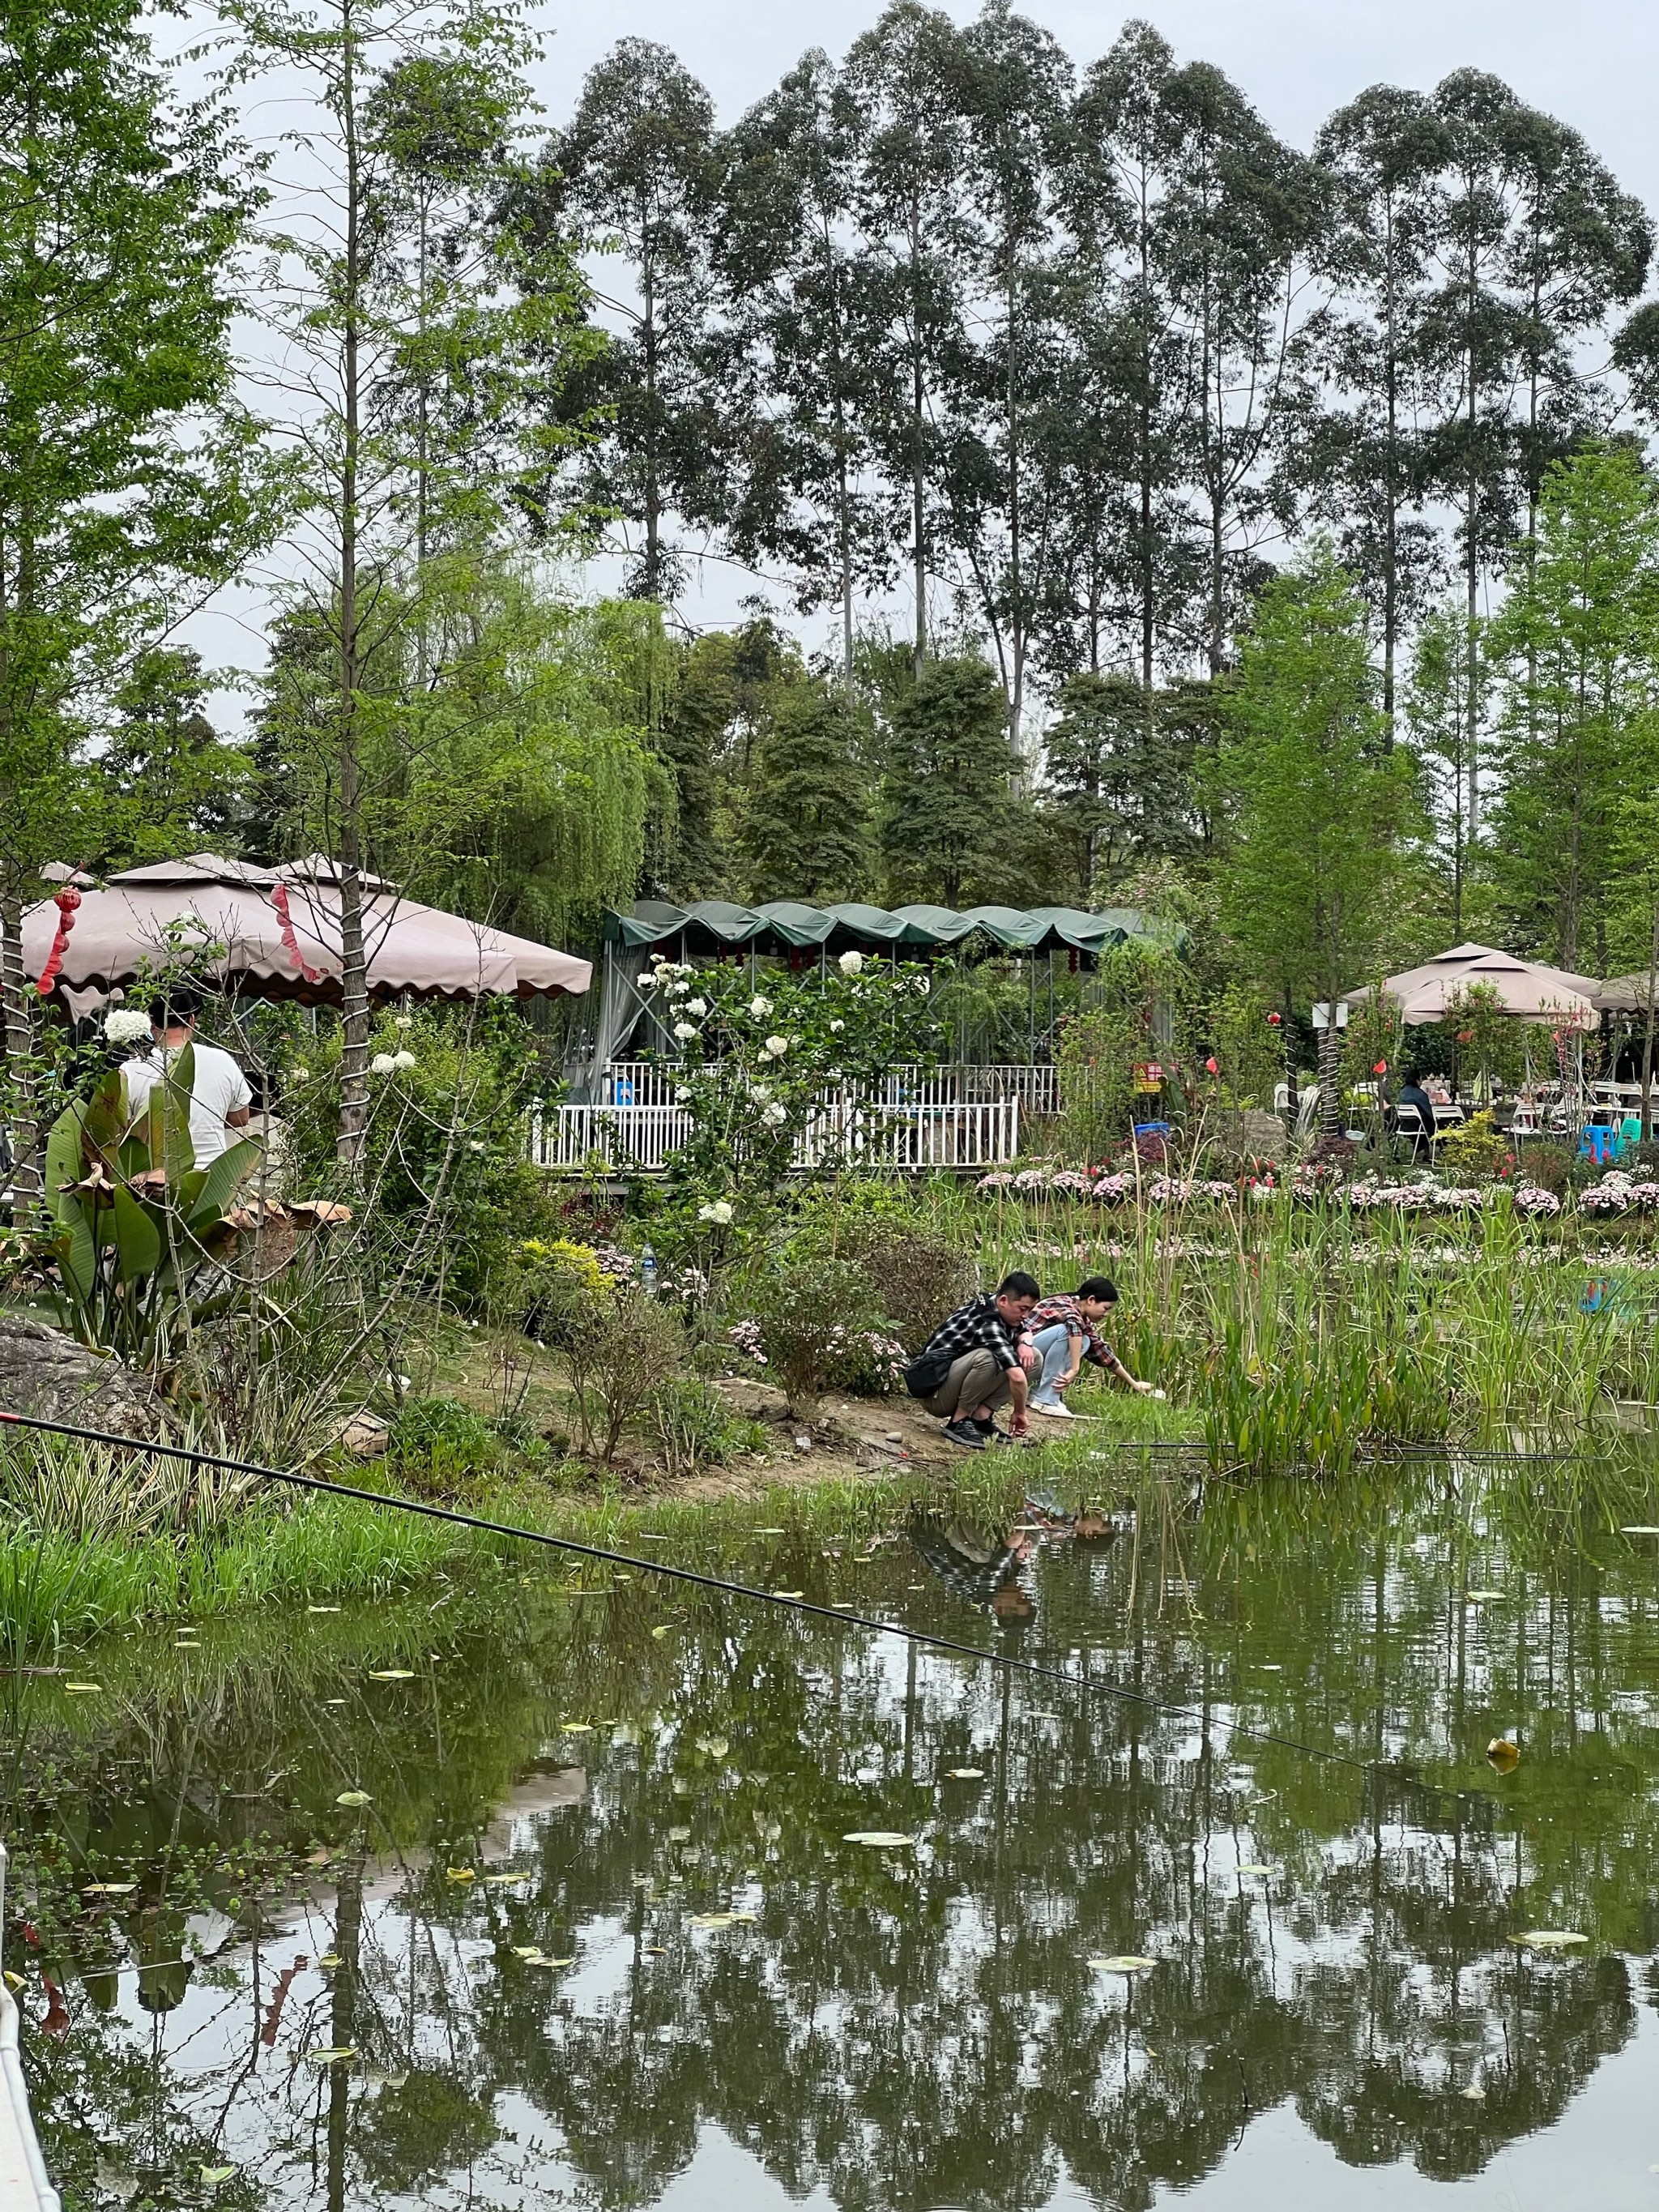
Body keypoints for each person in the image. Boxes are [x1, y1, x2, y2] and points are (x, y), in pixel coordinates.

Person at [121, 986, 254, 1168]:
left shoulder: (131, 1069)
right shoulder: (222, 1060)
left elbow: (125, 1130)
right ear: (191, 1020)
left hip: (152, 1182)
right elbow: (241, 1118)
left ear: (152, 1024)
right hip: (210, 1182)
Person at [906, 1271, 1041, 1451]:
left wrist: (1025, 1342)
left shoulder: (1001, 1309)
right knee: (988, 1358)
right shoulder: (987, 1320)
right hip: (934, 1392)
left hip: (952, 1382)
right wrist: (1019, 1413)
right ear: (1003, 1301)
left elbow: (1024, 1329)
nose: (1026, 1315)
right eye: (1022, 1309)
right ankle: (959, 1422)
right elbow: (1016, 1377)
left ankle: (980, 1418)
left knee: (1035, 1357)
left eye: (1030, 1310)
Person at [1025, 1277, 1154, 1418]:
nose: (1106, 1315)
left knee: (1085, 1341)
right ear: (1091, 1300)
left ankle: (1043, 1394)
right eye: (1106, 1308)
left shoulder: (1083, 1321)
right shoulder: (1063, 1304)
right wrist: (1075, 1368)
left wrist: (1134, 1384)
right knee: (1067, 1332)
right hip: (1020, 1353)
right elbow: (1073, 1326)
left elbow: (1103, 1354)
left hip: (1033, 1358)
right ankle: (1044, 1399)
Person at [1392, 1068, 1436, 1155]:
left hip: (1403, 1125)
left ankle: (1424, 1152)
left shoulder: (1401, 1093)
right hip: (1420, 1127)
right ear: (1417, 1080)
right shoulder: (1419, 1094)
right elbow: (1431, 1113)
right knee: (1435, 1123)